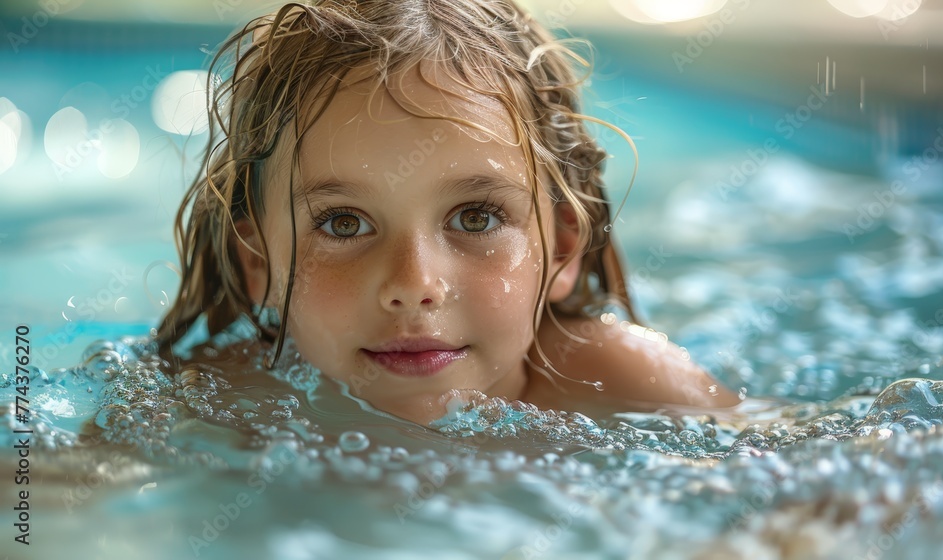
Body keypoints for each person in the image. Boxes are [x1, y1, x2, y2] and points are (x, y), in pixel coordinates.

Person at [156, 0, 740, 426]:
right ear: (259, 263)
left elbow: (797, 497)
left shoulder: (618, 381)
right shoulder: (223, 399)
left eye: (476, 217)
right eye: (343, 223)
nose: (413, 286)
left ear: (561, 249)